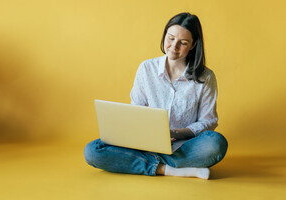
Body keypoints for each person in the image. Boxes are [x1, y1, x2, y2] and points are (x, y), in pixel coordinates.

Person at [84, 12, 228, 180]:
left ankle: (144, 164)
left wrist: (175, 133)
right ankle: (171, 169)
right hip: (144, 144)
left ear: (194, 44)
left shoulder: (206, 77)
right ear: (164, 35)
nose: (174, 47)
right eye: (171, 38)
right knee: (93, 150)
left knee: (216, 143)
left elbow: (208, 121)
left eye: (183, 43)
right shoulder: (146, 68)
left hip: (185, 147)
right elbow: (136, 109)